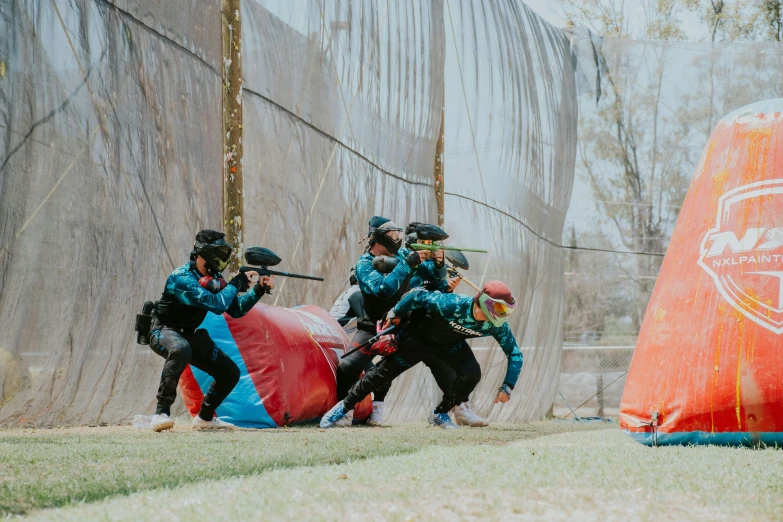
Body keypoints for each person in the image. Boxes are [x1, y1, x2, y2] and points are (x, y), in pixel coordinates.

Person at [321, 280, 523, 430]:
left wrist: (508, 386)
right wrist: (395, 314)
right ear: (486, 302)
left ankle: (440, 413)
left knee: (472, 374)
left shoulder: (496, 326)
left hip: (450, 344)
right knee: (383, 374)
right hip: (420, 339)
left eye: (507, 310)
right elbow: (417, 295)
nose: (504, 314)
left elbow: (515, 354)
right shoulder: (451, 304)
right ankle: (344, 407)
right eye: (500, 308)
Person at [147, 230, 274, 432]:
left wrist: (258, 289)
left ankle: (205, 418)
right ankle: (161, 413)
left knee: (230, 372)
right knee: (181, 349)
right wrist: (235, 283)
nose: (221, 259)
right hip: (162, 330)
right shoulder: (182, 278)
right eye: (218, 253)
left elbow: (236, 309)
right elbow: (216, 304)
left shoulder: (213, 277)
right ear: (202, 253)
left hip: (189, 334)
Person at [336, 216, 452, 426]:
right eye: (392, 236)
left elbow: (435, 278)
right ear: (379, 239)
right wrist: (406, 265)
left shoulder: (403, 254)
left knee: (437, 358)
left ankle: (454, 409)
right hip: (373, 327)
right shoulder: (363, 265)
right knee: (347, 367)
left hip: (403, 327)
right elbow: (384, 289)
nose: (397, 239)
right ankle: (344, 409)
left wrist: (438, 262)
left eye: (397, 234)